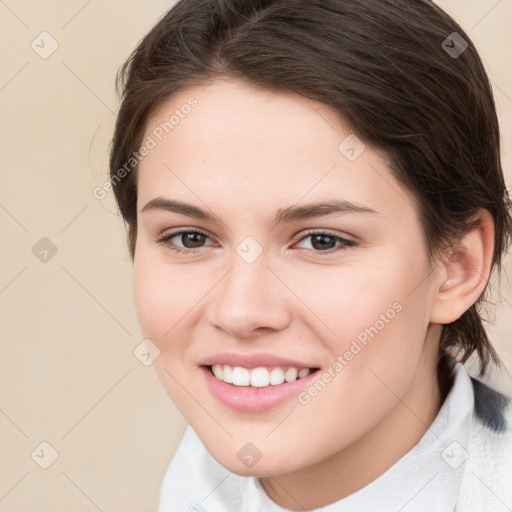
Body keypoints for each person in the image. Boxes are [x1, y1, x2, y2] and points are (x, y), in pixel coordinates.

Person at [108, 0, 512, 510]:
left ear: (457, 266)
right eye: (190, 238)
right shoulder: (193, 485)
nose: (240, 311)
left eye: (322, 240)